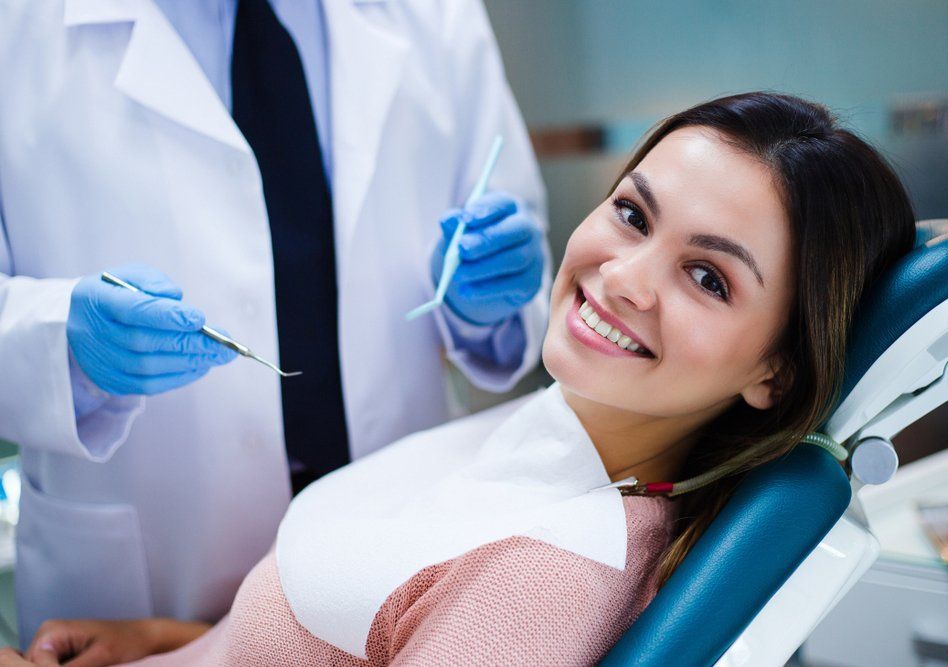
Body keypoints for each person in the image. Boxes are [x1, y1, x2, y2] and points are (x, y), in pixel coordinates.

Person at [6, 92, 917, 666]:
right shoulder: (544, 435)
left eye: (708, 277)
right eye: (633, 214)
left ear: (775, 370)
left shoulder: (544, 578)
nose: (625, 276)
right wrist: (175, 643)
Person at [0, 0, 548, 644]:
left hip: (401, 536)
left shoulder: (436, 15)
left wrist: (485, 302)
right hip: (145, 576)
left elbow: (510, 221)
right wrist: (59, 343)